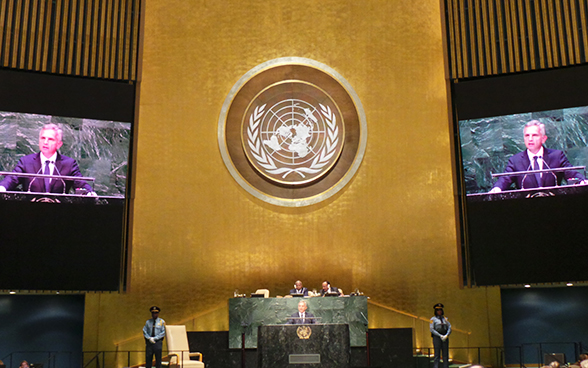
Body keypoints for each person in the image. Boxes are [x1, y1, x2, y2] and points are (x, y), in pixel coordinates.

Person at [490, 120, 587, 192]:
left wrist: (582, 181)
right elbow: (505, 179)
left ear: (543, 139)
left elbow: (571, 173)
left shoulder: (557, 156)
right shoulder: (515, 160)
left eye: (534, 135)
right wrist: (497, 188)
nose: (530, 139)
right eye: (527, 135)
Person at [0, 123, 95, 194]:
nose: (45, 142)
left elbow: (81, 184)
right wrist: (2, 187)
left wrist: (89, 193)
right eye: (43, 138)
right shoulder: (26, 162)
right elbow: (11, 179)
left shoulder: (69, 164)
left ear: (59, 144)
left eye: (50, 139)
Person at [430, 303, 451, 368]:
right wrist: (440, 336)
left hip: (445, 337)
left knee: (445, 354)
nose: (440, 311)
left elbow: (449, 327)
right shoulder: (433, 319)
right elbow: (432, 329)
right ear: (436, 311)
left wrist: (446, 335)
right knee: (437, 354)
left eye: (440, 310)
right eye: (438, 310)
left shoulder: (445, 319)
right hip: (437, 338)